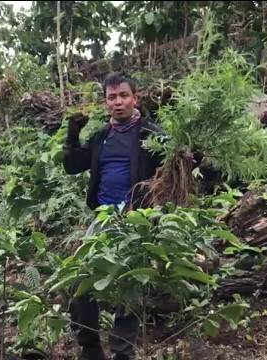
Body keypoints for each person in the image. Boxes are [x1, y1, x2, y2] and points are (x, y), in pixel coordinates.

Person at [63, 73, 164, 360]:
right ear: (106, 101)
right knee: (78, 277)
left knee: (130, 284)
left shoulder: (150, 134)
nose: (118, 102)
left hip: (137, 217)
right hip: (103, 217)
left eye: (123, 95)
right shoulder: (100, 138)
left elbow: (176, 158)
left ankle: (122, 353)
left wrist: (194, 157)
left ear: (135, 97)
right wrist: (73, 133)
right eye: (111, 97)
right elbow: (72, 166)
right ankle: (90, 348)